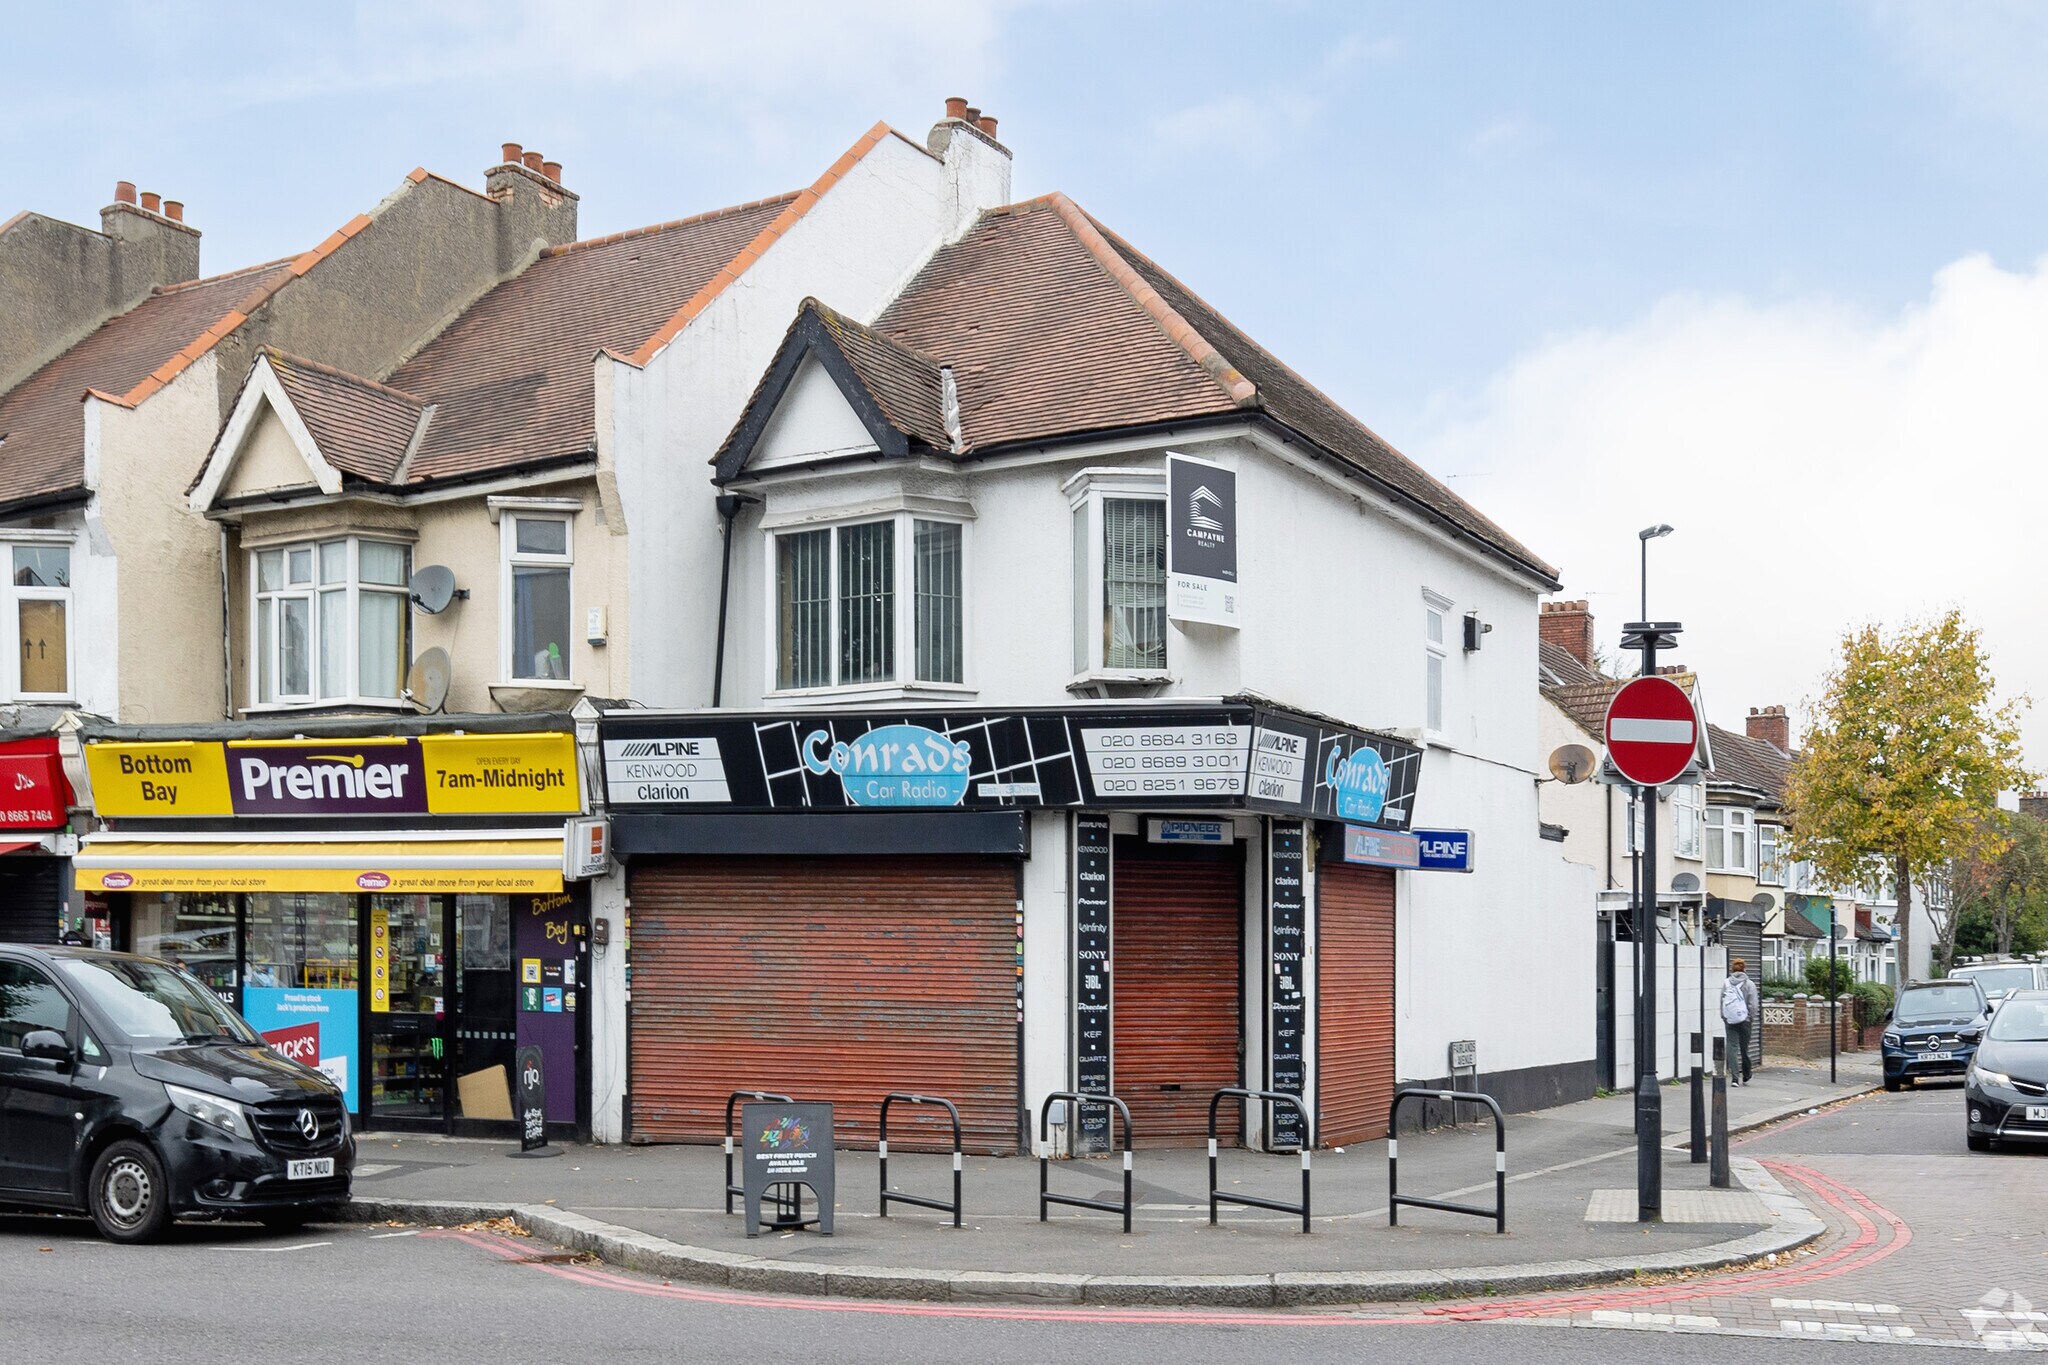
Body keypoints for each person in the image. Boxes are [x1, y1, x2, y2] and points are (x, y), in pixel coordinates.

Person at [1722, 957, 1761, 1084]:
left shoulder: (1726, 983)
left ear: (1732, 970)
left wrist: (1725, 1017)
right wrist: (1750, 1017)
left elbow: (1722, 1001)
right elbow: (1753, 1004)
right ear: (1744, 969)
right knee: (1744, 1048)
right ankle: (1746, 1074)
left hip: (1730, 1020)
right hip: (1745, 1021)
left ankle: (1734, 1077)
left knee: (1732, 1048)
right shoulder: (1749, 984)